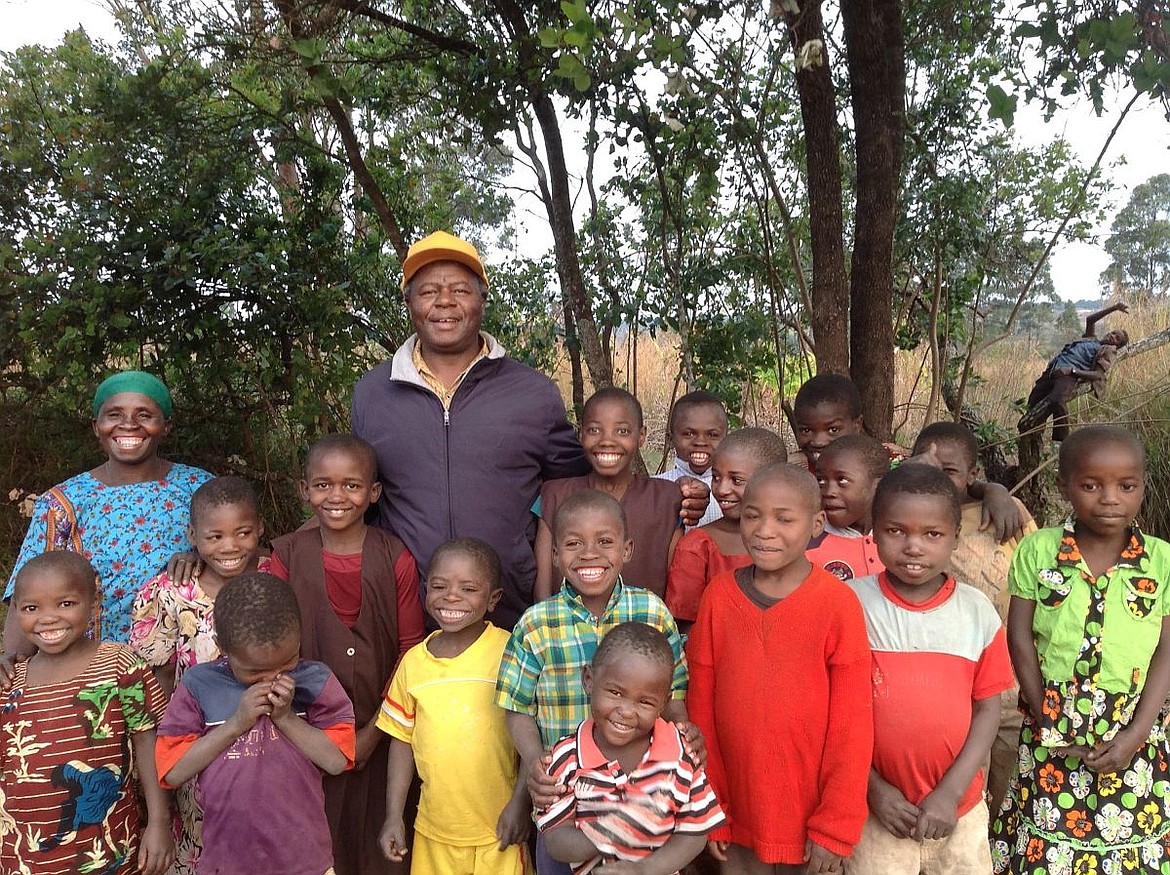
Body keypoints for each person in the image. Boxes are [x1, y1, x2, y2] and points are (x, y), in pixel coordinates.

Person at [351, 231, 707, 629]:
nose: (445, 302)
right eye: (429, 291)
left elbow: (579, 485)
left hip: (511, 609)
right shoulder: (374, 394)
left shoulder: (531, 393)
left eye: (460, 290)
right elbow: (356, 493)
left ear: (482, 300)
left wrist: (676, 494)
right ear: (409, 303)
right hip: (407, 611)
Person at [991, 425, 1170, 874]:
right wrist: (1044, 712)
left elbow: (1167, 649)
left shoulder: (1162, 561)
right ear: (1063, 486)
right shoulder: (1038, 551)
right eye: (1091, 485)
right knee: (1048, 846)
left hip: (1133, 725)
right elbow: (1020, 637)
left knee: (1131, 843)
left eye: (1126, 486)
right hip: (1052, 721)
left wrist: (1136, 734)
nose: (1110, 498)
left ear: (1141, 487)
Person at [687, 464, 873, 873]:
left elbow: (853, 728)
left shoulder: (837, 605)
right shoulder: (718, 597)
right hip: (735, 815)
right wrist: (711, 805)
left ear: (816, 524)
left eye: (784, 518)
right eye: (753, 515)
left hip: (809, 824)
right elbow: (701, 712)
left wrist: (835, 827)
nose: (764, 530)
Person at [495, 490, 693, 875]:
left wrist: (684, 739)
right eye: (573, 543)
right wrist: (539, 764)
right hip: (564, 802)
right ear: (554, 554)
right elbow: (516, 708)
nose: (589, 553)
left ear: (627, 549)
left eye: (605, 541)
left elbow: (674, 695)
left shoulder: (651, 610)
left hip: (642, 797)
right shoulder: (537, 624)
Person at [269, 434, 426, 875]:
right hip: (301, 735)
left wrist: (374, 732)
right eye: (322, 485)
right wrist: (309, 735)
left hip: (384, 731)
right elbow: (272, 650)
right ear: (304, 491)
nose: (336, 497)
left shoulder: (395, 556)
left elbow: (409, 653)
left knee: (382, 846)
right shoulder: (285, 556)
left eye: (351, 486)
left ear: (373, 493)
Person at [845, 465, 1014, 874]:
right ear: (874, 532)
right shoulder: (849, 606)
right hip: (878, 811)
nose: (914, 547)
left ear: (956, 538)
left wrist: (950, 793)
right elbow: (835, 713)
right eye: (896, 531)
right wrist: (873, 789)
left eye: (932, 534)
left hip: (960, 809)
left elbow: (988, 710)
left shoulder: (976, 612)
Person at [155, 572, 356, 875]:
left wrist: (286, 718)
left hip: (304, 861)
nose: (273, 678)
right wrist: (236, 723)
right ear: (222, 647)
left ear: (299, 638)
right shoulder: (200, 684)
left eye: (287, 662)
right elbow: (173, 771)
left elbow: (337, 760)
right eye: (254, 671)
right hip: (229, 862)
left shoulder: (315, 681)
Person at [4, 370, 213, 650]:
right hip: (92, 675)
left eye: (144, 415)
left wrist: (200, 557)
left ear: (166, 426)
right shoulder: (63, 502)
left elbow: (236, 554)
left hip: (186, 665)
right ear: (96, 425)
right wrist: (12, 658)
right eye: (114, 415)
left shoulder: (199, 488)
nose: (128, 425)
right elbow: (26, 591)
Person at [129, 476, 269, 875]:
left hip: (268, 738)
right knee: (203, 837)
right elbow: (158, 677)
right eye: (215, 536)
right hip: (197, 746)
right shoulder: (172, 592)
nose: (229, 547)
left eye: (243, 533)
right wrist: (166, 745)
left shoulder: (277, 578)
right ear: (193, 535)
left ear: (259, 527)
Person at [0, 552, 171, 875]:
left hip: (108, 850)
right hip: (22, 857)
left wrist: (159, 822)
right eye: (31, 608)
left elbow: (150, 742)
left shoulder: (120, 664)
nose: (48, 618)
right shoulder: (10, 682)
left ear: (94, 603)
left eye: (65, 604)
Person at [378, 538, 529, 875]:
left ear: (493, 600)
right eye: (439, 585)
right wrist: (393, 816)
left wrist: (521, 803)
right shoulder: (414, 663)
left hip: (499, 832)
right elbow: (401, 742)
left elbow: (532, 737)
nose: (451, 596)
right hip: (435, 834)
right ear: (425, 590)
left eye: (468, 588)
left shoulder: (511, 652)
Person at [911, 421, 1037, 813]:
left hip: (1016, 684)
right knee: (966, 797)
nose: (938, 480)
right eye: (926, 468)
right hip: (955, 691)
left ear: (972, 475)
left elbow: (1041, 582)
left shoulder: (1005, 512)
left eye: (947, 471)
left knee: (1013, 790)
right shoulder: (909, 523)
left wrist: (994, 493)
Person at [537, 622, 726, 874]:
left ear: (664, 702)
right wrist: (612, 830)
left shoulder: (681, 754)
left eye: (645, 701)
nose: (626, 711)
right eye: (615, 692)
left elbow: (695, 833)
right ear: (589, 680)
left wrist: (644, 870)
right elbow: (557, 842)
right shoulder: (566, 757)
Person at [790, 373, 1025, 542]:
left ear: (857, 424)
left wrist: (994, 491)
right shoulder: (794, 469)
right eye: (806, 430)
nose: (819, 441)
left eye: (832, 429)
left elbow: (952, 481)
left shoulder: (888, 458)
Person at [534, 388, 682, 600]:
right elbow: (542, 588)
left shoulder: (667, 499)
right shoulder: (554, 495)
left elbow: (676, 590)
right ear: (581, 434)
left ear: (641, 436)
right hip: (564, 629)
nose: (607, 441)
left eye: (622, 431)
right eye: (594, 430)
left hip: (645, 629)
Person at [666, 427, 787, 628]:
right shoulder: (698, 546)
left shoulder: (793, 538)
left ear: (773, 481)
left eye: (736, 480)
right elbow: (685, 624)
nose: (721, 490)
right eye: (716, 477)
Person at [1018, 301, 1129, 442]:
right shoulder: (1091, 340)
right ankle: (1034, 437)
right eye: (1113, 332)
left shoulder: (1108, 351)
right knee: (1033, 400)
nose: (1112, 336)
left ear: (1117, 345)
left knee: (1058, 401)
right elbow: (1090, 320)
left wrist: (1072, 371)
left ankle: (1063, 442)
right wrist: (1114, 308)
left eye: (1116, 338)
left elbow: (1098, 375)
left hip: (1067, 376)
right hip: (1053, 371)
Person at [805, 434, 887, 582]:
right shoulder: (806, 545)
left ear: (878, 486)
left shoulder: (896, 539)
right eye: (821, 480)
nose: (828, 492)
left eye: (842, 480)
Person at [654, 390, 729, 527]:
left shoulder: (734, 490)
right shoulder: (655, 488)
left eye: (712, 435)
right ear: (670, 440)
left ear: (726, 439)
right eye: (688, 434)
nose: (700, 442)